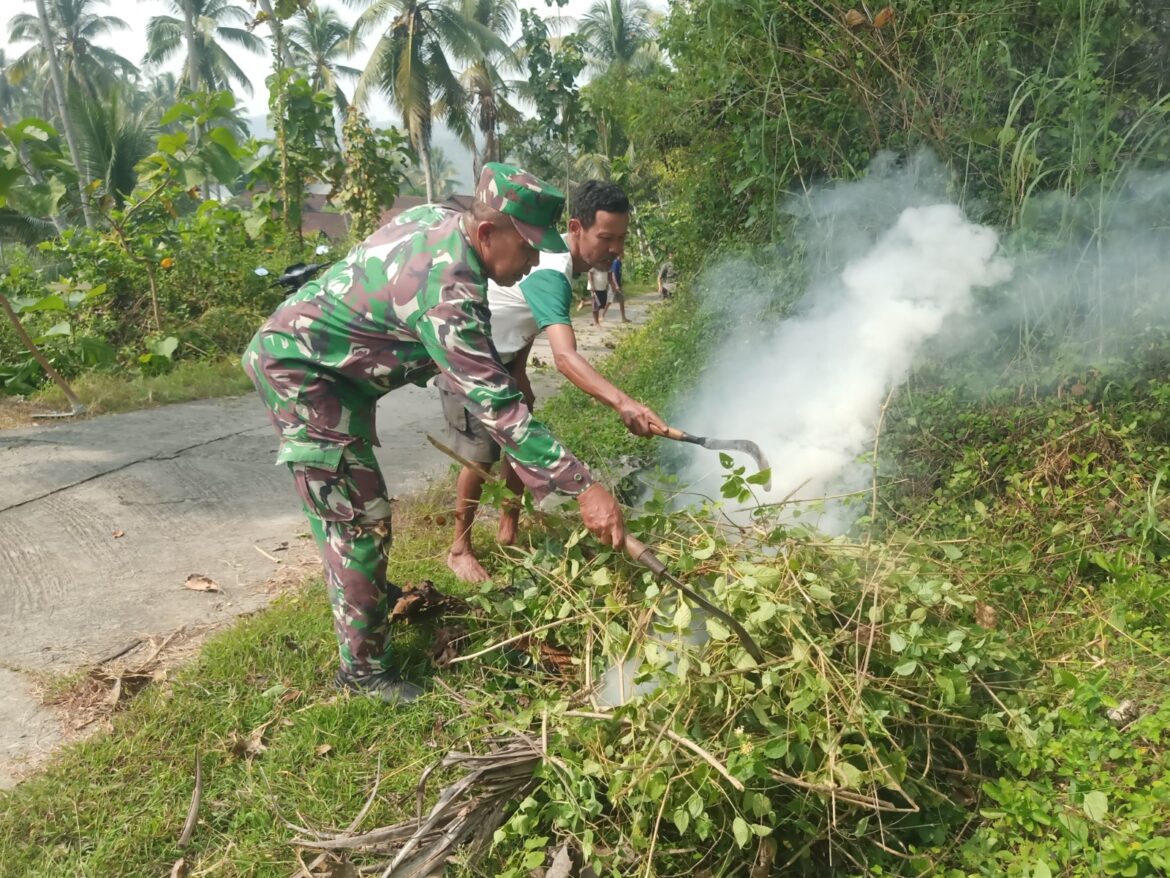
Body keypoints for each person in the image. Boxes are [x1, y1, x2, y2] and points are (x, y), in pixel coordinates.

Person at [242, 163, 627, 705]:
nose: (537, 261)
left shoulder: (445, 221)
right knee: (357, 519)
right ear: (489, 234)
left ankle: (367, 595)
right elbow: (499, 409)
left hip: (337, 371)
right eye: (528, 249)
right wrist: (585, 488)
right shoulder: (450, 293)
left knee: (362, 508)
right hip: (302, 372)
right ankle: (362, 675)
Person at [443, 180, 666, 583]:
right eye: (606, 238)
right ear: (577, 227)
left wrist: (521, 371)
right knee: (480, 454)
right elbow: (565, 358)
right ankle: (460, 547)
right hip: (468, 355)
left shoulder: (568, 261)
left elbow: (523, 317)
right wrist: (624, 403)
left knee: (518, 444)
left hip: (507, 356)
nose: (616, 249)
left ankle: (508, 529)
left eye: (622, 238)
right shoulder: (552, 269)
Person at [610, 255, 630, 323]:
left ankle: (623, 318)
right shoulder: (615, 262)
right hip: (614, 285)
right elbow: (613, 275)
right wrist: (616, 285)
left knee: (621, 301)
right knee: (608, 301)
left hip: (618, 284)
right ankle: (601, 316)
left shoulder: (619, 262)